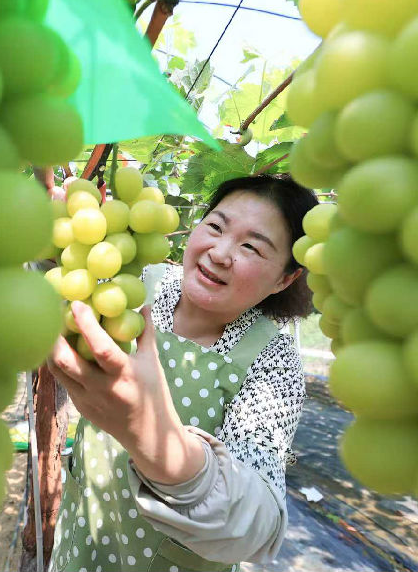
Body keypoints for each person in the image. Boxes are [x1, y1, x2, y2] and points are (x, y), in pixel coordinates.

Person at [47, 174, 318, 572]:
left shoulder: (274, 361)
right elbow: (64, 277)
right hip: (78, 544)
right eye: (215, 226)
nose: (220, 252)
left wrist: (152, 435)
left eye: (251, 247)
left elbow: (257, 528)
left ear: (285, 277)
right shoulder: (139, 281)